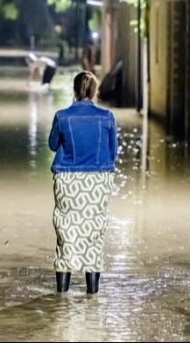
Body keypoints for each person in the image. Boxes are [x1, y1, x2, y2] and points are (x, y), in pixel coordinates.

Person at [48, 71, 117, 294]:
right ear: (94, 91)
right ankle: (92, 294)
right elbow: (113, 153)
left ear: (75, 91)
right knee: (93, 234)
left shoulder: (62, 116)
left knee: (66, 233)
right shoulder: (107, 117)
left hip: (68, 181)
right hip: (97, 182)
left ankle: (61, 295)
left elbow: (51, 144)